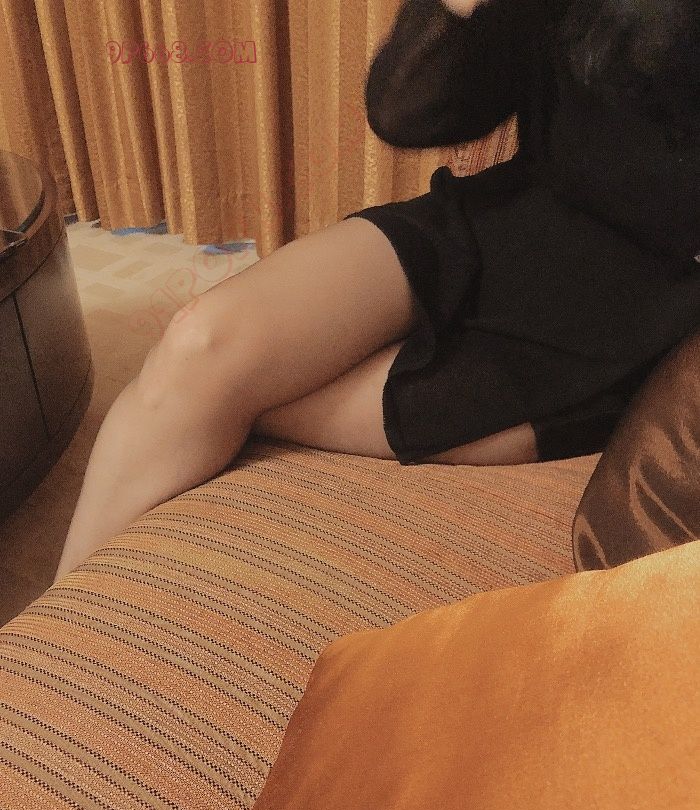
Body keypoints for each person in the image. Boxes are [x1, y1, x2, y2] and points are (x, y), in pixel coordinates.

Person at [53, 0, 700, 584]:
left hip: (646, 301)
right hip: (512, 213)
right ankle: (41, 635)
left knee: (249, 396)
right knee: (199, 345)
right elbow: (405, 113)